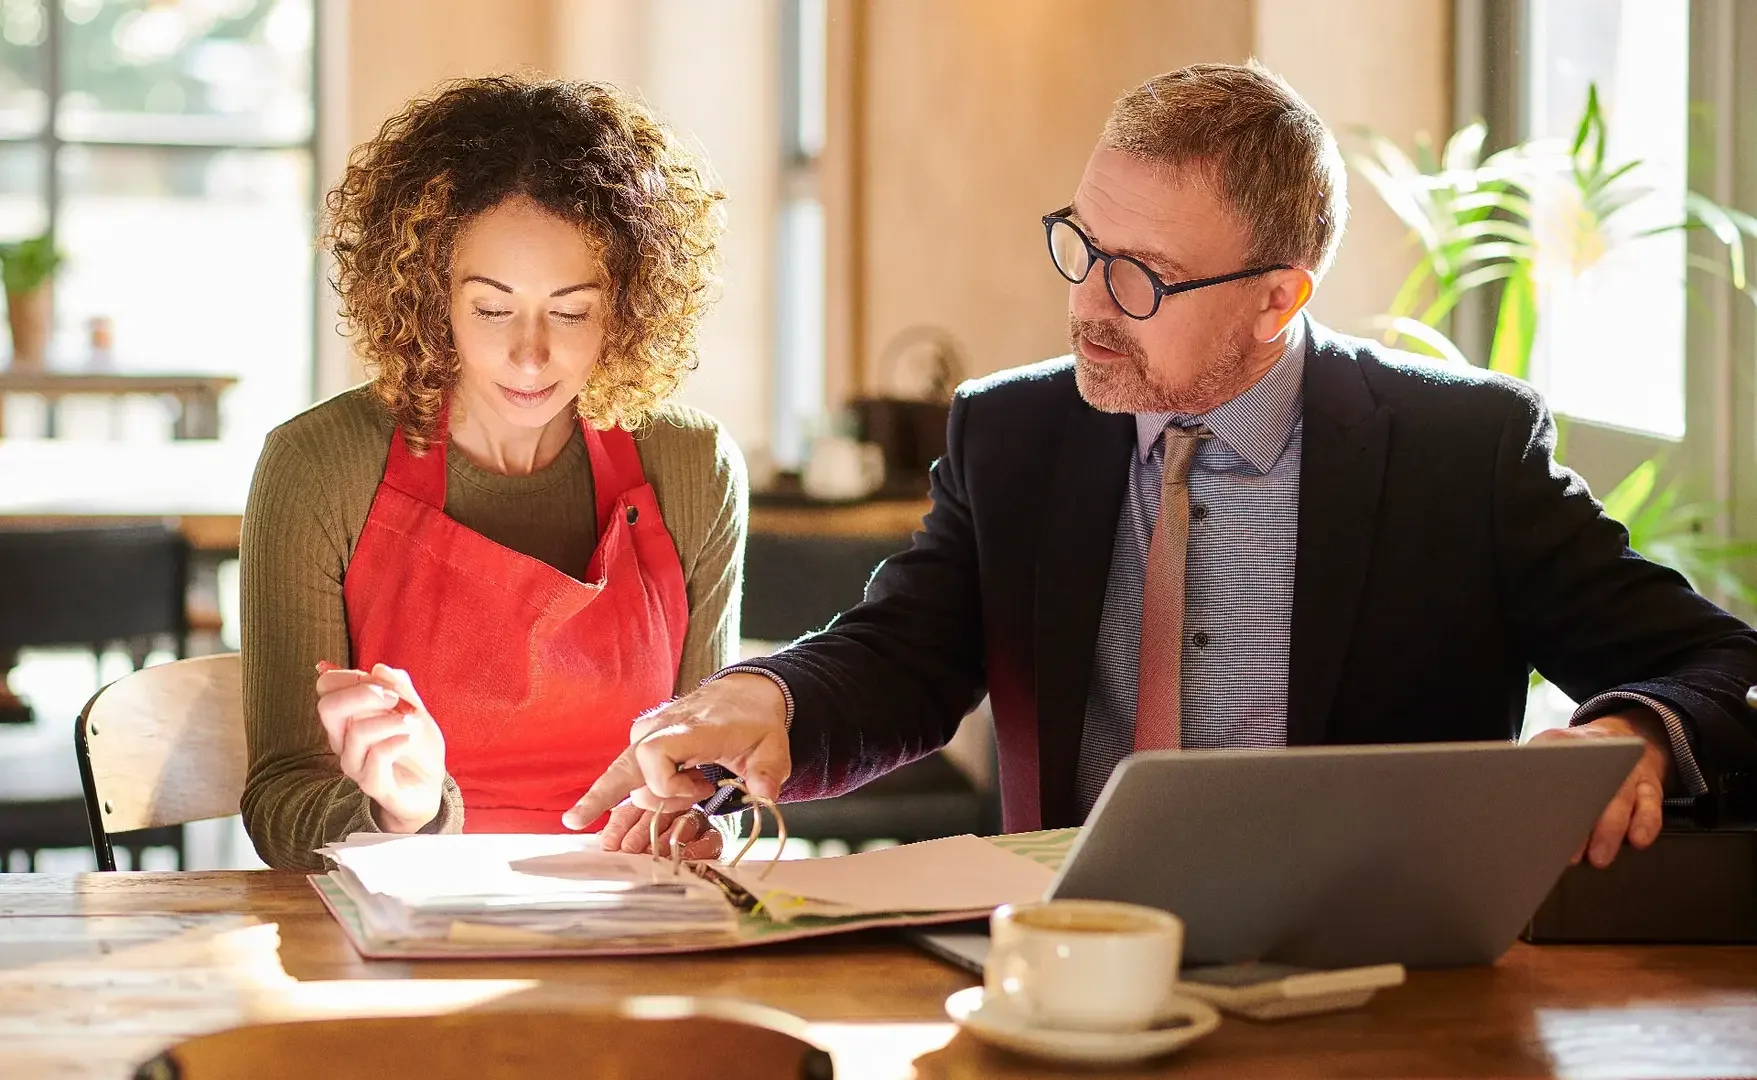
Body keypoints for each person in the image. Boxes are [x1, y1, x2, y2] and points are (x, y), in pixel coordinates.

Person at [566, 62, 1757, 870]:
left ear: (1275, 298)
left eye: (1138, 274)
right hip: (1072, 970)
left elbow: (1717, 664)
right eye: (1080, 244)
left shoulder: (1458, 451)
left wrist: (1635, 733)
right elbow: (909, 654)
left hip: (1379, 983)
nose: (1086, 302)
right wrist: (769, 699)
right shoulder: (1012, 432)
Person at [240, 76, 745, 871]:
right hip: (398, 927)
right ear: (427, 295)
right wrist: (399, 807)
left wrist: (703, 808)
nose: (531, 354)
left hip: (628, 921)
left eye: (572, 310)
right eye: (491, 307)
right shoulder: (319, 464)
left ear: (628, 305)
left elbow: (712, 765)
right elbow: (278, 807)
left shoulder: (690, 466)